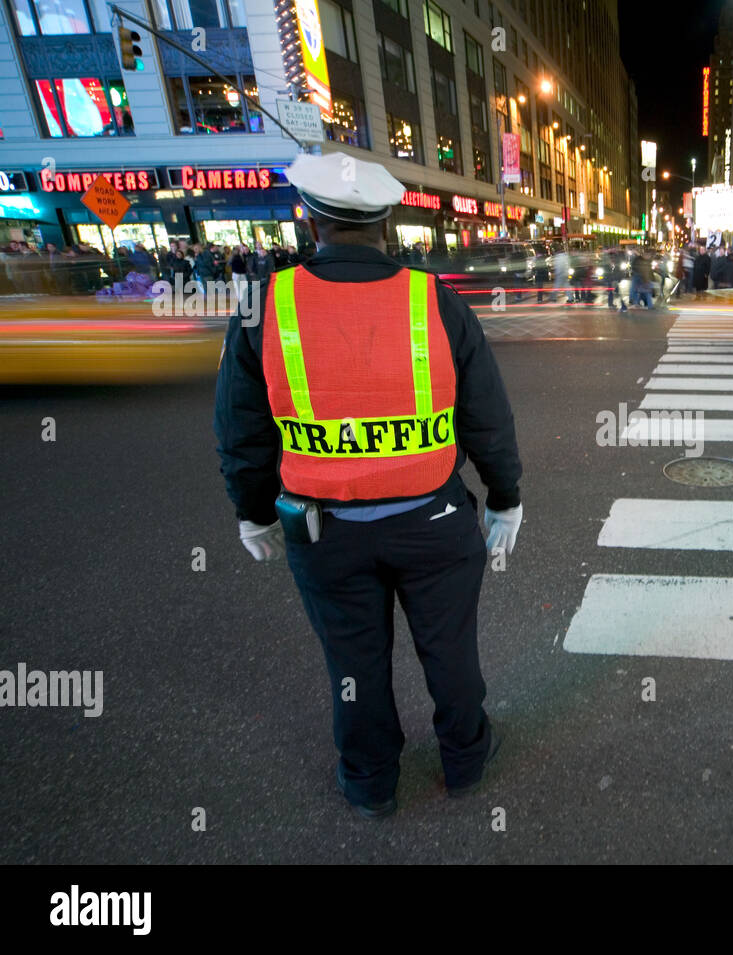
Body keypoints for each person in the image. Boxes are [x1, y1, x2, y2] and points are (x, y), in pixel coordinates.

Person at [214, 152, 521, 818]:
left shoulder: (263, 307)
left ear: (310, 220)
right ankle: (465, 759)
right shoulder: (435, 300)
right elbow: (486, 414)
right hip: (435, 524)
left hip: (326, 533)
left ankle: (370, 780)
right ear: (387, 220)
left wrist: (251, 510)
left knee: (353, 664)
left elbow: (242, 430)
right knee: (450, 652)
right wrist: (505, 496)